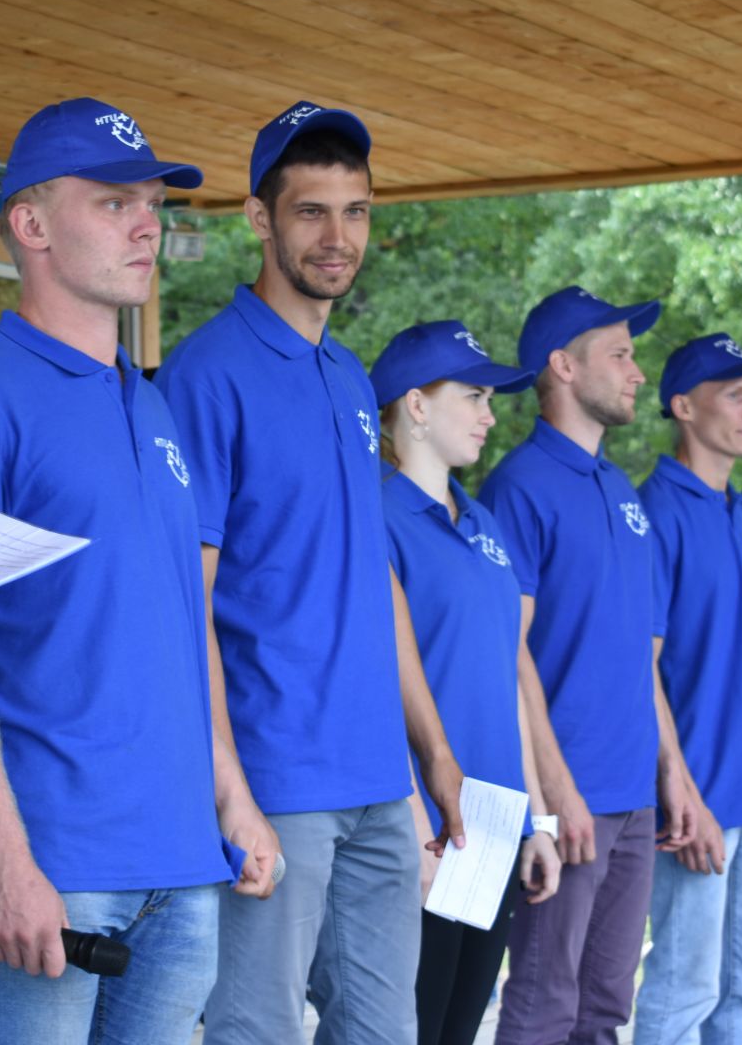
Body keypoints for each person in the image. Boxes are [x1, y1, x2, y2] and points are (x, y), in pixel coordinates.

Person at [0, 98, 279, 1044]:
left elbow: (181, 620)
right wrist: (2, 858)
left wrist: (232, 797)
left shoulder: (151, 406)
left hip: (183, 860)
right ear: (30, 225)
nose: (147, 223)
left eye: (154, 203)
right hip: (58, 863)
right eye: (115, 202)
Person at [156, 101, 466, 1045]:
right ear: (259, 218)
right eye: (311, 212)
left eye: (356, 212)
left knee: (383, 1032)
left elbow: (376, 582)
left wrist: (435, 757)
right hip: (277, 773)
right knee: (257, 1028)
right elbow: (187, 601)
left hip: (378, 776)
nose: (338, 238)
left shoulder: (346, 378)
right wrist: (227, 786)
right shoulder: (205, 376)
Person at [478, 286, 687, 1045]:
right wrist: (556, 792)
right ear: (563, 366)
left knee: (604, 1012)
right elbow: (508, 654)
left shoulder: (623, 492)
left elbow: (641, 659)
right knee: (543, 1007)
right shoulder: (517, 488)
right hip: (571, 800)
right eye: (621, 355)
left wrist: (672, 775)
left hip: (633, 800)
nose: (638, 373)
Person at [370, 321, 563, 1045]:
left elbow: (506, 673)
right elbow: (373, 684)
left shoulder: (482, 523)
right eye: (474, 396)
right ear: (415, 406)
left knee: (457, 1030)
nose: (491, 414)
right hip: (423, 828)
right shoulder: (377, 518)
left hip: (492, 825)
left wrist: (534, 822)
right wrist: (411, 827)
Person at [632, 333, 742, 1045]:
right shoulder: (657, 514)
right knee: (683, 993)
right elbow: (639, 667)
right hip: (693, 808)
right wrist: (683, 789)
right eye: (735, 395)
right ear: (683, 406)